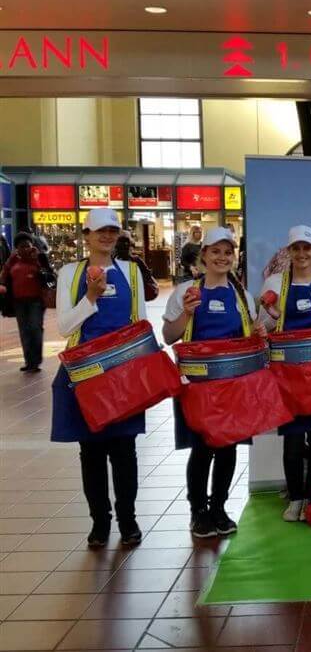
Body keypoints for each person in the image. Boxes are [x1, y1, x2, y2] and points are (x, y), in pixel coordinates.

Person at [52, 209, 147, 548]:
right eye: (100, 231)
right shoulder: (69, 273)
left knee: (125, 450)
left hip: (123, 372)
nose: (107, 237)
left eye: (112, 231)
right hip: (86, 373)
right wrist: (90, 296)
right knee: (91, 452)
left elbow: (140, 324)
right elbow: (65, 327)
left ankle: (128, 520)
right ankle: (100, 522)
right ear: (87, 235)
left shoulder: (132, 273)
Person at [163, 227, 264, 538]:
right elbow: (169, 337)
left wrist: (258, 334)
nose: (222, 257)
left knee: (228, 447)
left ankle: (219, 508)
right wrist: (187, 315)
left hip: (233, 384)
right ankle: (198, 511)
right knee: (202, 448)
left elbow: (248, 341)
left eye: (228, 252)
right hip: (197, 384)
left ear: (234, 258)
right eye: (216, 251)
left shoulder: (243, 297)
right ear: (203, 255)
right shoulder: (185, 293)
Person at [259, 224, 311, 522]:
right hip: (289, 374)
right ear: (289, 251)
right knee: (293, 440)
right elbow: (264, 329)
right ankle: (296, 498)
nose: (302, 253)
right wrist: (269, 314)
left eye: (307, 248)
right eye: (296, 248)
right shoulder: (275, 282)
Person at [0, 232, 53, 372]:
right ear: (17, 248)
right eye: (21, 247)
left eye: (28, 246)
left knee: (35, 329)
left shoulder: (39, 257)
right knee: (24, 331)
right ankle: (29, 361)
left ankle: (36, 360)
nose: (25, 249)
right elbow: (4, 275)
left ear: (32, 245)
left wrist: (37, 260)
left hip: (36, 300)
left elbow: (49, 275)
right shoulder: (13, 260)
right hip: (18, 302)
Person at [115, 232, 159, 302]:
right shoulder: (136, 260)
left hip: (120, 297)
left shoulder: (112, 262)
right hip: (136, 295)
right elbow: (147, 274)